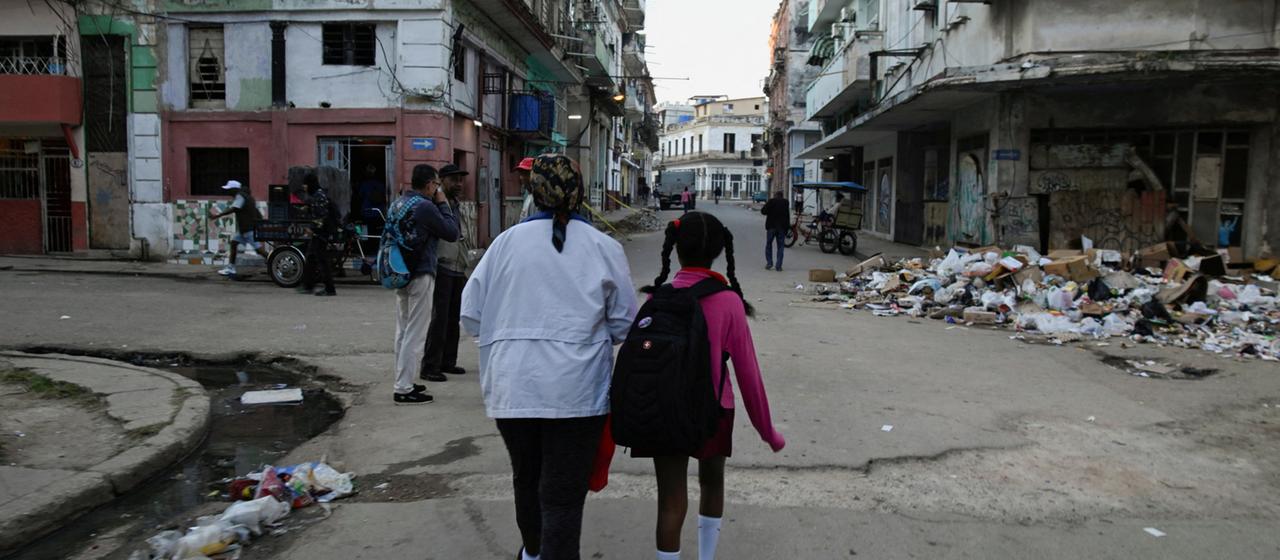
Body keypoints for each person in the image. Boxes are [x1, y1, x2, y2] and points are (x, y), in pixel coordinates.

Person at [461, 154, 637, 560]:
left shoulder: (504, 244)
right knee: (561, 496)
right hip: (577, 392)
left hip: (512, 387)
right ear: (578, 194)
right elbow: (624, 323)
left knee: (527, 479)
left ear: (533, 192)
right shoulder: (602, 246)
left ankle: (533, 553)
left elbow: (471, 314)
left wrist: (509, 338)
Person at [633, 211, 785, 560]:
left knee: (669, 500)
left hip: (664, 407)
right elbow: (749, 376)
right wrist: (767, 432)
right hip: (714, 409)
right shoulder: (729, 302)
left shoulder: (659, 298)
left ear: (676, 250)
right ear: (718, 251)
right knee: (712, 482)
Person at [388, 164, 459, 404]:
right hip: (421, 273)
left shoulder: (398, 203)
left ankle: (403, 380)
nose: (437, 189)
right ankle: (403, 387)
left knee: (403, 330)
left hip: (400, 273)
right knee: (415, 333)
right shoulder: (425, 206)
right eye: (436, 185)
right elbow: (451, 231)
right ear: (430, 184)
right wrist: (442, 202)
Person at [421, 164, 474, 383]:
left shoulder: (455, 204)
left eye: (461, 179)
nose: (459, 184)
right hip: (441, 266)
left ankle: (448, 361)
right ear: (441, 181)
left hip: (458, 266)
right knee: (440, 319)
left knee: (453, 318)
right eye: (454, 180)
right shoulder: (436, 205)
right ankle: (430, 366)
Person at [208, 180, 269, 277]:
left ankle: (274, 262)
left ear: (234, 189)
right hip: (245, 229)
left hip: (248, 229)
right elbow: (257, 213)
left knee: (259, 250)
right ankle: (231, 268)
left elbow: (234, 209)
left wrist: (217, 215)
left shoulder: (240, 196)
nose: (228, 192)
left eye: (229, 190)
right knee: (234, 244)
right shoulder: (249, 198)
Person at [300, 173, 340, 296]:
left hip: (321, 233)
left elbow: (322, 216)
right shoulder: (317, 195)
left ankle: (329, 289)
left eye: (305, 184)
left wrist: (313, 229)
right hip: (320, 232)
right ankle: (308, 285)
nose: (304, 187)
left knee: (322, 260)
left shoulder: (318, 196)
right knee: (312, 257)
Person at [761, 191, 789, 272]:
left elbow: (763, 211)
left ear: (776, 195)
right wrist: (787, 229)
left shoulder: (771, 201)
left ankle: (769, 263)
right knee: (780, 247)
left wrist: (769, 208)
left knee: (769, 244)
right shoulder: (786, 202)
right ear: (782, 196)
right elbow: (787, 216)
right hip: (782, 228)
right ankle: (778, 266)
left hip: (771, 227)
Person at [516, 157, 536, 222]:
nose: (521, 177)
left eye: (526, 173)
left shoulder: (537, 201)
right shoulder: (529, 196)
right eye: (521, 173)